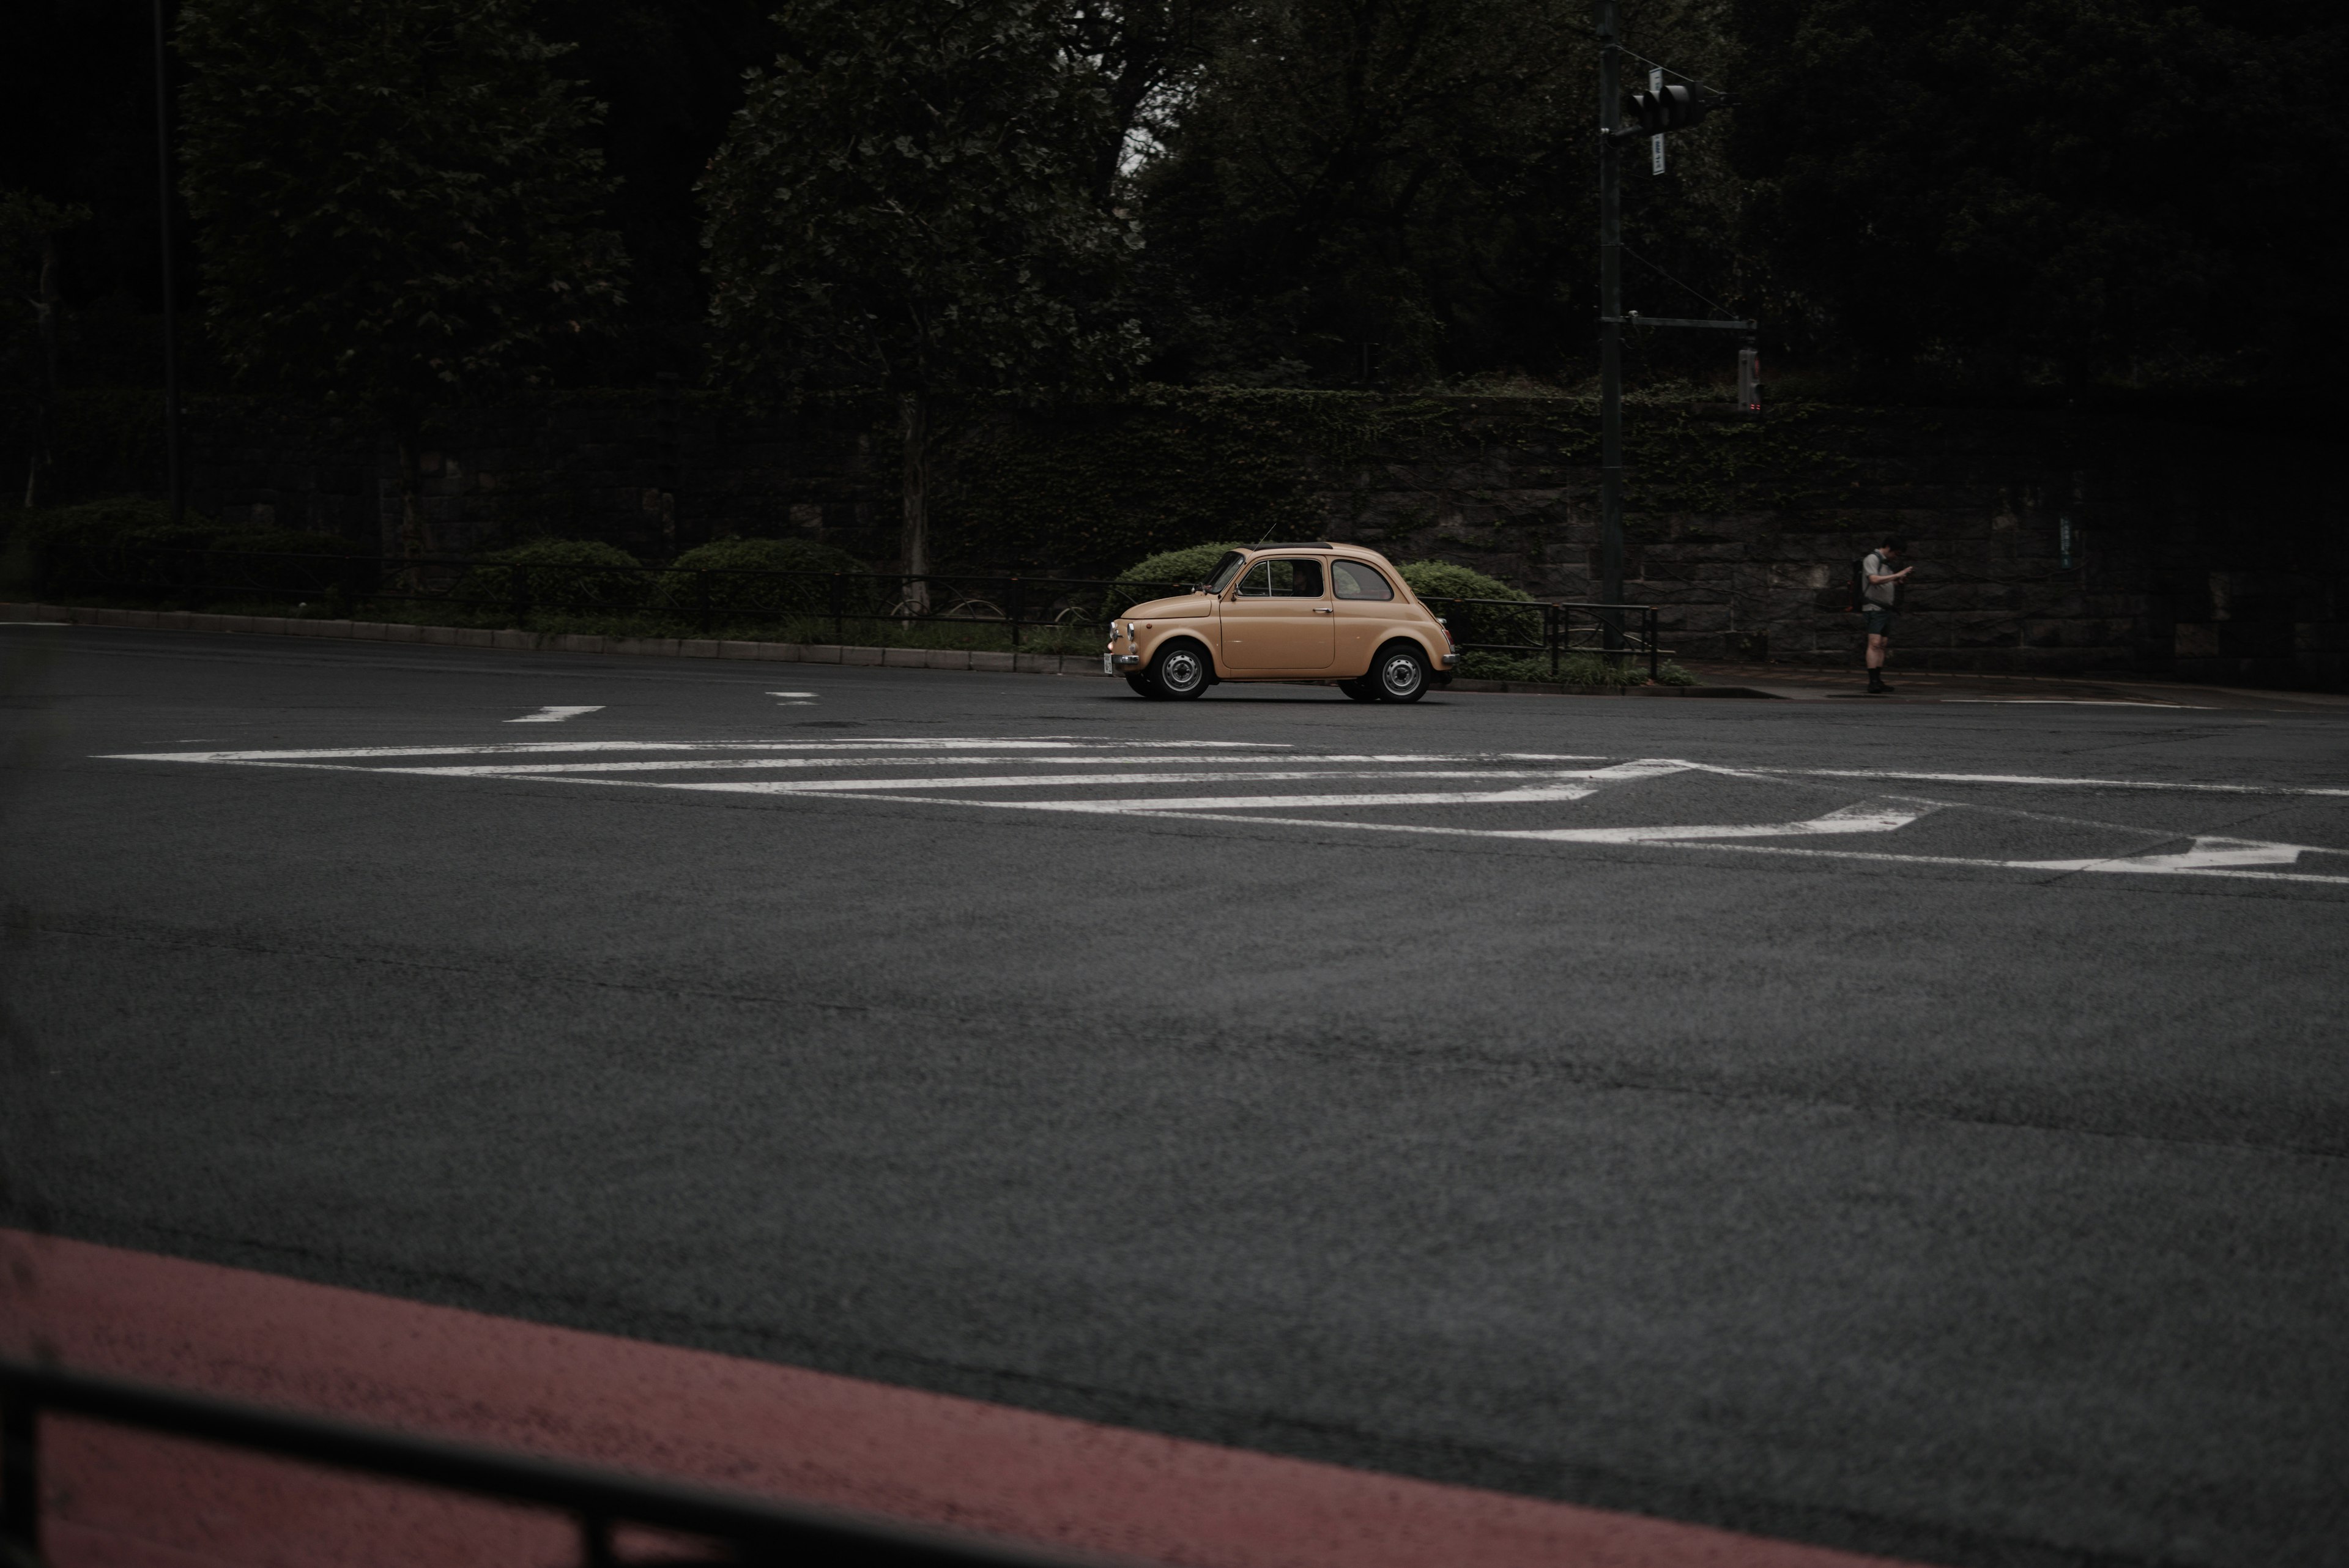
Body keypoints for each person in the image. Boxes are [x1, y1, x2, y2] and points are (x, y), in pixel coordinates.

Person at [1860, 535, 1911, 694]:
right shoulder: (1872, 559)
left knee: (1882, 644)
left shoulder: (1886, 564)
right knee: (1874, 644)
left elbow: (1883, 582)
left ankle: (1878, 680)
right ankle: (1872, 682)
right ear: (1888, 547)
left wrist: (1896, 581)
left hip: (1885, 609)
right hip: (1874, 608)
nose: (1896, 556)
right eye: (1896, 553)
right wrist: (1897, 575)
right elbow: (1874, 580)